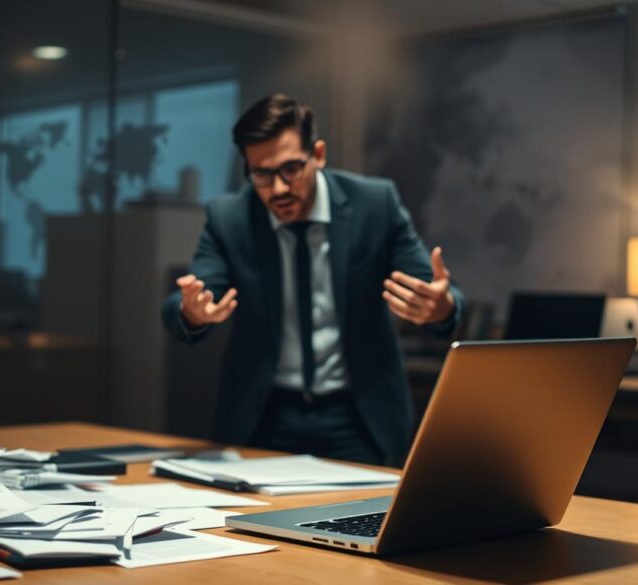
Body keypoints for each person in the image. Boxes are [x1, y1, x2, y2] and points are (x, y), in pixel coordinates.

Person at [161, 94, 465, 466]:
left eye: (291, 169)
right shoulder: (230, 217)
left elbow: (435, 292)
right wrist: (193, 311)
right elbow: (185, 301)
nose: (278, 189)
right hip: (264, 417)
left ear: (318, 154)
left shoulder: (375, 204)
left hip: (358, 416)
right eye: (262, 175)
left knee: (365, 520)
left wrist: (440, 306)